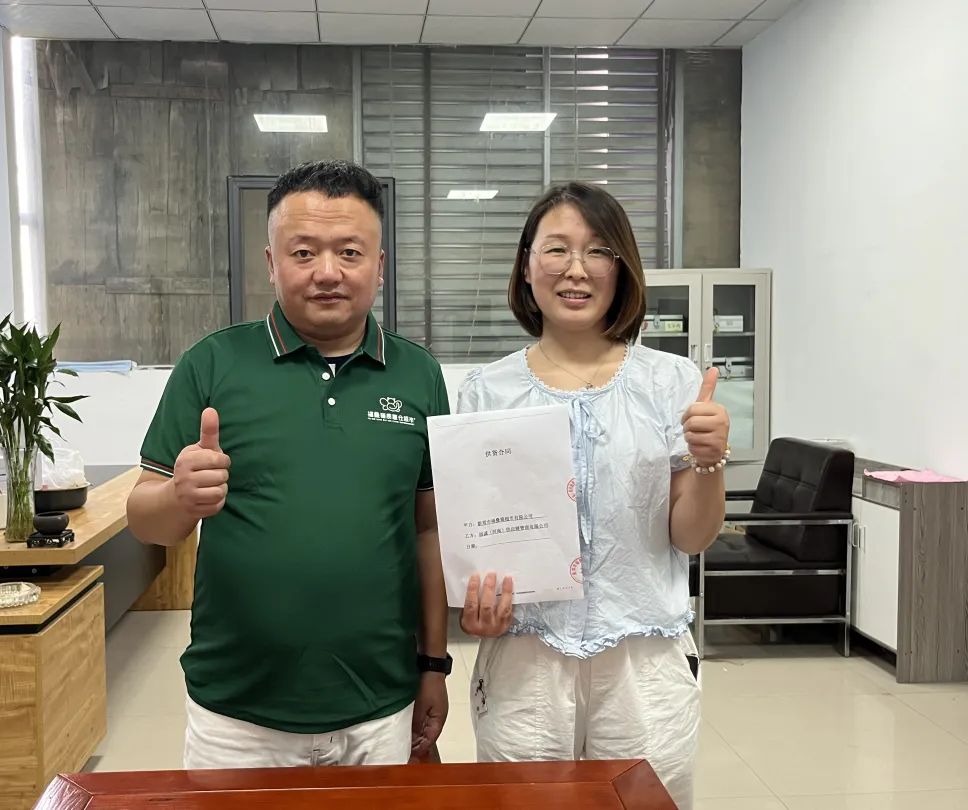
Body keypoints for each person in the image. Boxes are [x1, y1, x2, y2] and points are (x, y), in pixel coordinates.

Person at [126, 160, 452, 769]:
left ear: (380, 265)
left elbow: (428, 530)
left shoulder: (419, 375)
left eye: (349, 252)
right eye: (303, 252)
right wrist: (179, 499)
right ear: (271, 263)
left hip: (380, 704)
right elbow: (146, 522)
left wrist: (434, 665)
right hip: (237, 712)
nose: (327, 272)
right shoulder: (213, 363)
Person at [455, 182, 729, 809]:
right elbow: (477, 541)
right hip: (524, 656)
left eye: (599, 251)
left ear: (622, 268)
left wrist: (709, 462)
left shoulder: (671, 381)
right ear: (527, 267)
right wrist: (474, 609)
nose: (576, 269)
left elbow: (690, 537)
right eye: (557, 249)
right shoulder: (487, 391)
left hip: (643, 661)